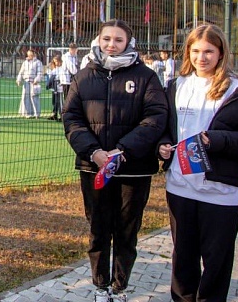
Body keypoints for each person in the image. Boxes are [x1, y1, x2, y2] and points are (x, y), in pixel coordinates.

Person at [157, 24, 238, 302]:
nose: (201, 57)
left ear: (220, 53)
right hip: (180, 187)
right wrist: (163, 145)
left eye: (208, 51)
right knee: (183, 258)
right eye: (195, 51)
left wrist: (213, 140)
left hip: (220, 192)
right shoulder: (176, 86)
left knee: (216, 264)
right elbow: (166, 127)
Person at [63, 19, 167, 302]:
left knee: (126, 230)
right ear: (98, 40)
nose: (111, 44)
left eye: (118, 40)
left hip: (133, 170)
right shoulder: (84, 76)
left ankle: (120, 287)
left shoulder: (146, 77)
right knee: (98, 229)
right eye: (106, 39)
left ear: (128, 43)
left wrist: (123, 150)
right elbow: (71, 118)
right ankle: (99, 286)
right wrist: (94, 152)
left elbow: (156, 117)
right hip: (93, 167)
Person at [16, 49, 43, 118]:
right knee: (25, 97)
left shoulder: (38, 62)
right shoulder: (25, 62)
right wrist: (19, 79)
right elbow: (21, 71)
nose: (29, 56)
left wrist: (36, 80)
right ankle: (27, 113)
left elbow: (40, 72)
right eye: (28, 55)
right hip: (26, 82)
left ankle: (36, 114)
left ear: (34, 54)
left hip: (34, 83)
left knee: (34, 98)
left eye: (31, 55)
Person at [46, 55, 64, 121]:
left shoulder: (62, 68)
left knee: (59, 102)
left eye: (56, 61)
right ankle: (54, 114)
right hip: (55, 88)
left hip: (59, 88)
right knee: (54, 101)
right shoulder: (55, 69)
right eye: (55, 62)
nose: (56, 63)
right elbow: (51, 77)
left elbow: (59, 77)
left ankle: (62, 116)